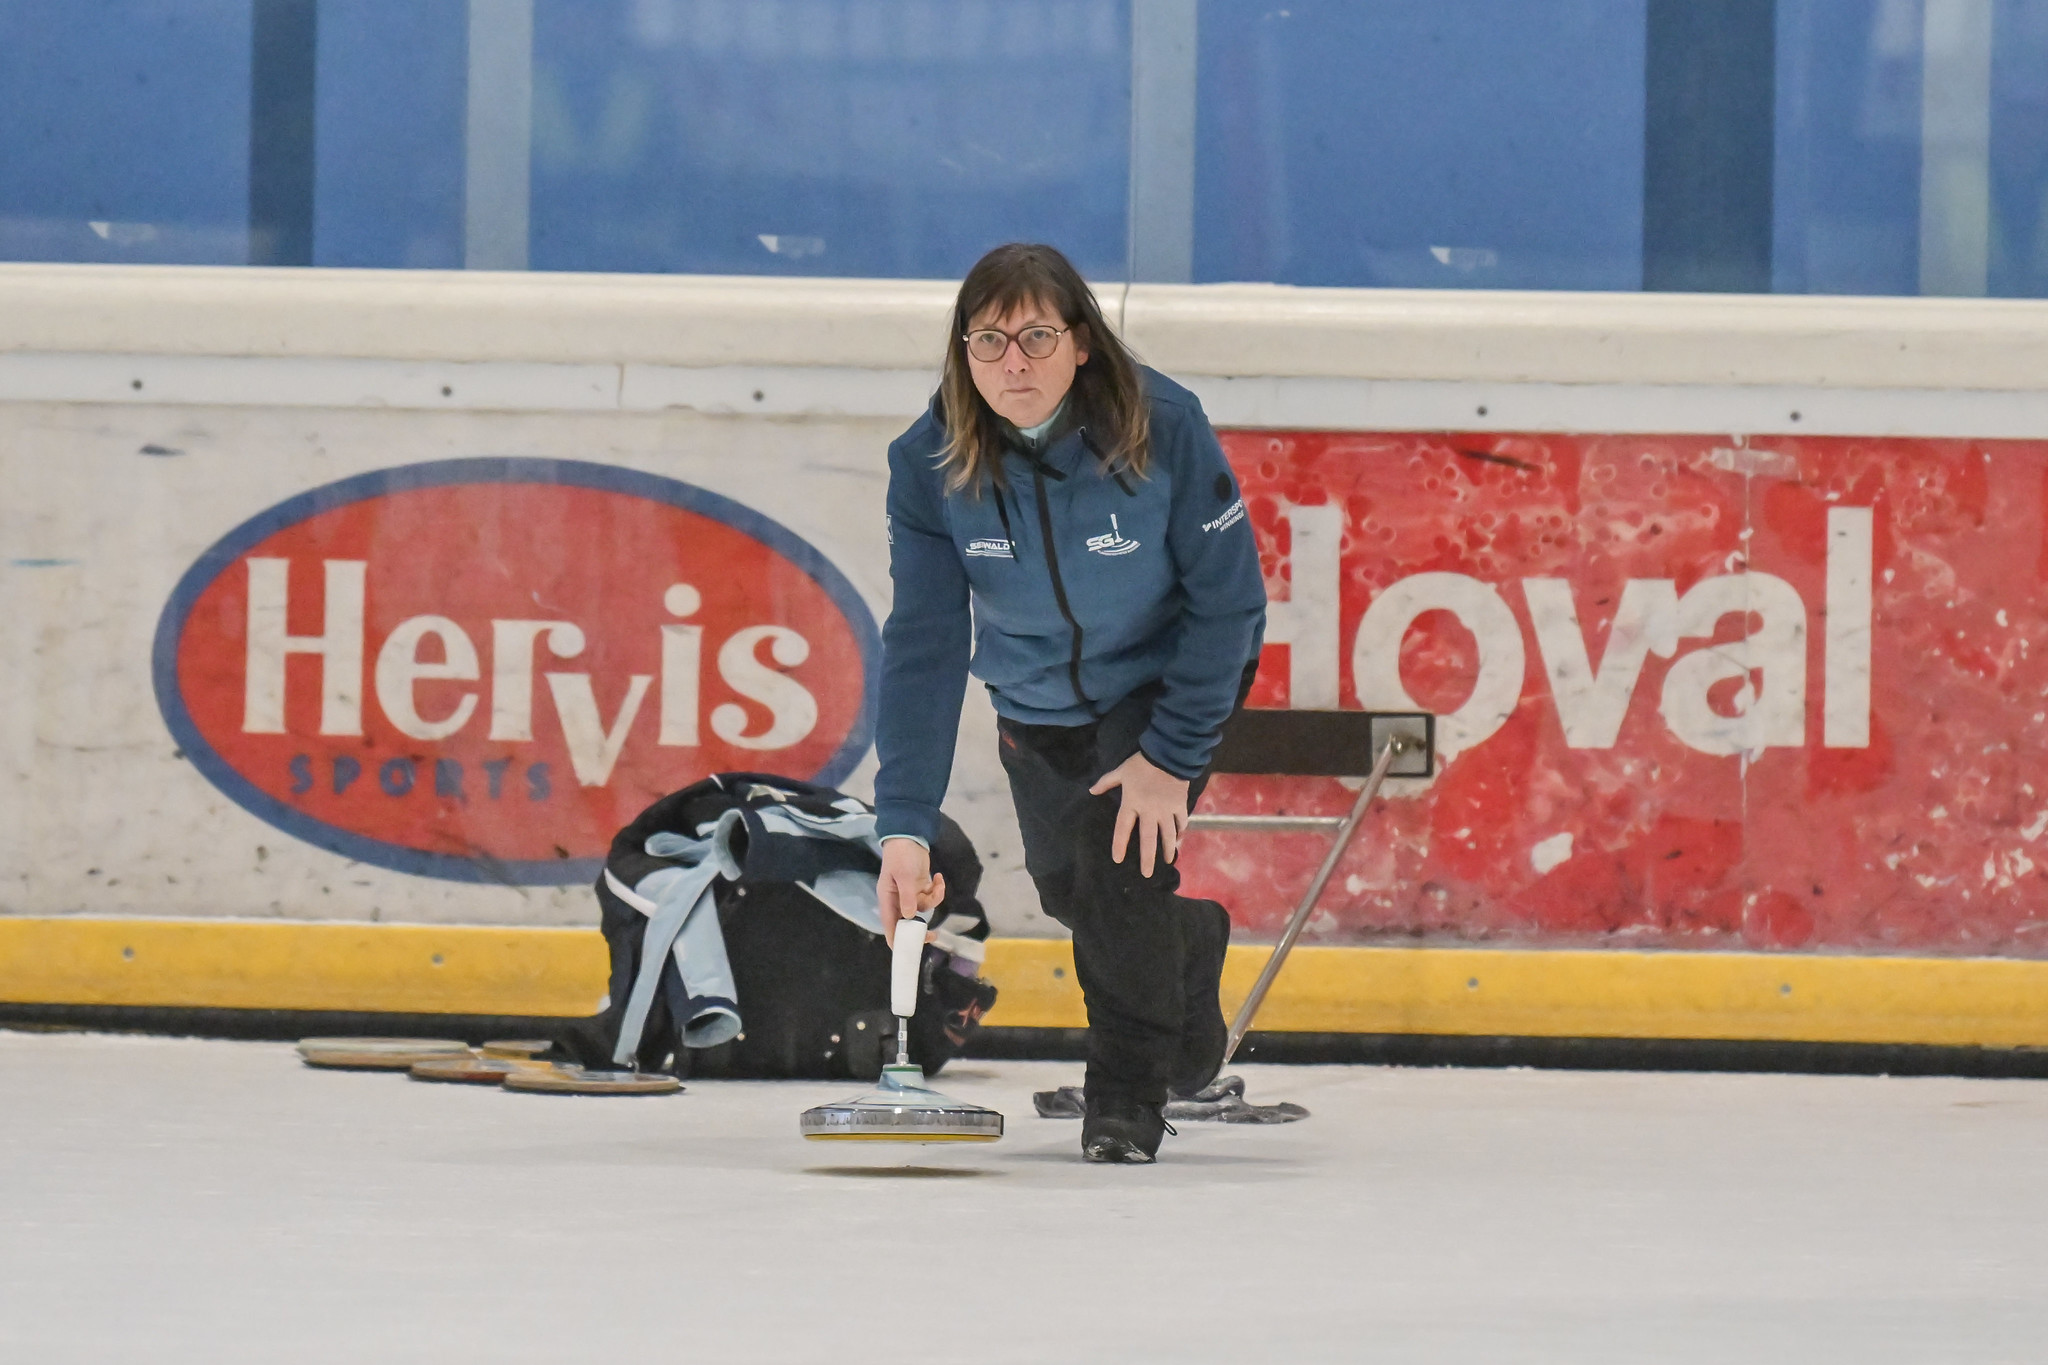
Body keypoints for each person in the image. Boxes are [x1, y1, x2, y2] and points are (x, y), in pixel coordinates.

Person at [872, 242, 1267, 1163]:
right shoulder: (928, 464)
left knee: (1118, 865)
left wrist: (1170, 757)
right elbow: (925, 649)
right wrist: (903, 825)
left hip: (1163, 684)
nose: (1015, 362)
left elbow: (1231, 601)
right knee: (1077, 895)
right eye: (990, 341)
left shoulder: (1162, 424)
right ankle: (1191, 946)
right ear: (962, 353)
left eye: (1038, 337)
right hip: (1036, 700)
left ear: (1082, 342)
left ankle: (1124, 1100)